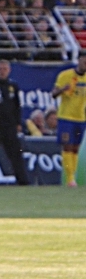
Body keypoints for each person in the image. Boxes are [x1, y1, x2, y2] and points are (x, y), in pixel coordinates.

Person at [52, 52, 86, 187]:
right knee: (67, 146)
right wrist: (62, 90)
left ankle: (73, 176)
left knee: (76, 148)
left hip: (81, 118)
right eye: (84, 61)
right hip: (66, 117)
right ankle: (70, 178)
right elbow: (53, 94)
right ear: (79, 61)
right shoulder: (65, 75)